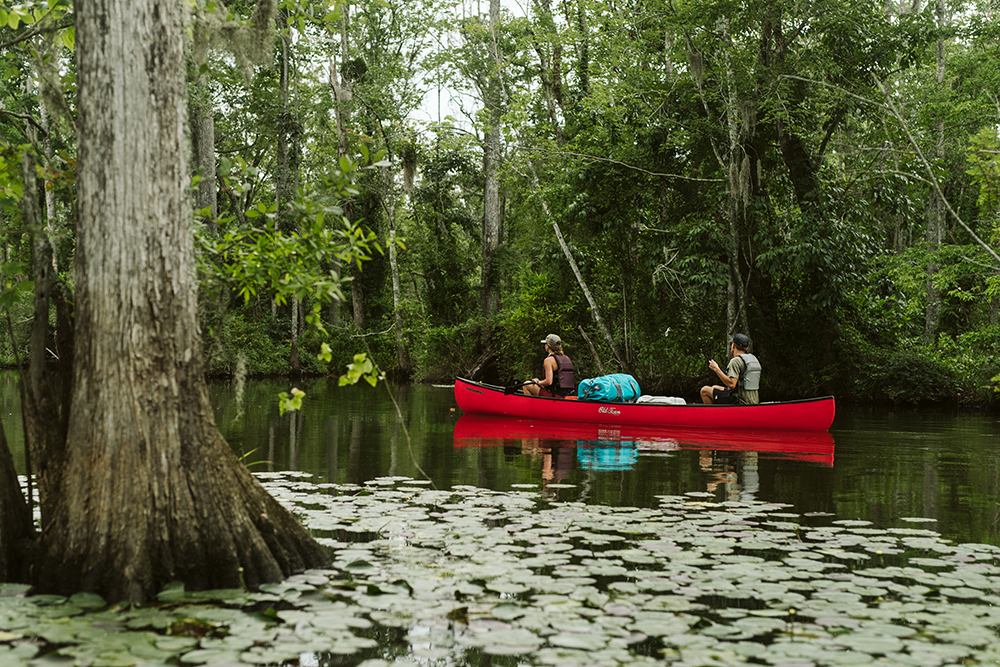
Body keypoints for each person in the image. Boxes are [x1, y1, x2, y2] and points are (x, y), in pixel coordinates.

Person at [700, 333, 761, 405]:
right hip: (752, 400)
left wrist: (716, 369)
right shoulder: (753, 359)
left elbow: (732, 385)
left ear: (733, 345)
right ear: (746, 348)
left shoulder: (735, 361)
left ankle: (712, 415)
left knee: (704, 391)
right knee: (714, 387)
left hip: (739, 400)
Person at [523, 334, 576, 398]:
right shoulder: (566, 358)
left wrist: (538, 382)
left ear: (548, 346)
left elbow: (549, 382)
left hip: (555, 396)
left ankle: (532, 407)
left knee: (526, 385)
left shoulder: (548, 360)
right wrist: (541, 383)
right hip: (567, 395)